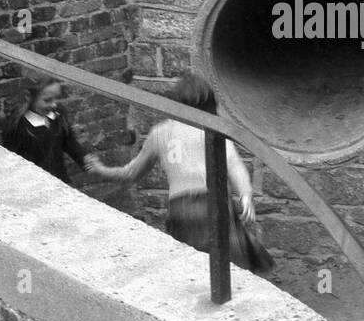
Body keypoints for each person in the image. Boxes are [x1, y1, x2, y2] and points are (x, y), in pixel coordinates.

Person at [96, 72, 273, 273]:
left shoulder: (159, 132)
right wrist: (245, 194)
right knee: (231, 268)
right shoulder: (212, 128)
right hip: (213, 203)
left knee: (190, 267)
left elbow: (131, 173)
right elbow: (234, 164)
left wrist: (101, 170)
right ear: (208, 102)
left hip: (180, 208)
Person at [1, 76, 110, 184]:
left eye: (56, 98)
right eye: (47, 100)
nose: (54, 104)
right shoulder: (18, 127)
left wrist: (86, 159)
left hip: (61, 182)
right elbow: (13, 165)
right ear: (28, 97)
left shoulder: (57, 115)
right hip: (34, 188)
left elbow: (70, 143)